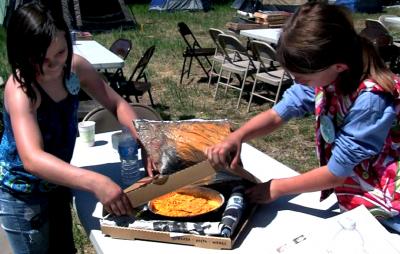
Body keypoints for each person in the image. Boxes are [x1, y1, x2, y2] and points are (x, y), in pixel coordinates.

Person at [206, 2, 400, 231]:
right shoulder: (328, 75)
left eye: (303, 78)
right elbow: (279, 113)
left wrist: (277, 187)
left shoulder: (370, 101)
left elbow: (337, 172)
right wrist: (237, 136)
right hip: (362, 192)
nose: (297, 83)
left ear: (337, 66)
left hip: (390, 206)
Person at [0, 2, 148, 253]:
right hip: (23, 195)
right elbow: (32, 159)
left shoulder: (75, 67)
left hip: (58, 183)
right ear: (21, 53)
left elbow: (117, 104)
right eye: (41, 59)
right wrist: (95, 182)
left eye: (60, 53)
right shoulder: (20, 89)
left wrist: (147, 141)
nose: (54, 65)